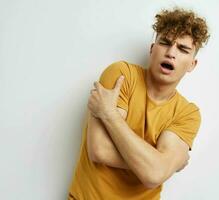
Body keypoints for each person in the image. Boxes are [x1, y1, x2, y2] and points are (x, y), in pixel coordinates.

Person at [68, 7, 210, 200]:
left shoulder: (187, 113)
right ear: (152, 50)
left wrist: (109, 114)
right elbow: (100, 150)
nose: (171, 53)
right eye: (165, 43)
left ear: (192, 64)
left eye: (183, 49)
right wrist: (164, 164)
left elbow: (154, 175)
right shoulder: (121, 75)